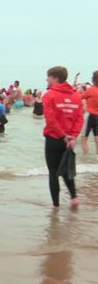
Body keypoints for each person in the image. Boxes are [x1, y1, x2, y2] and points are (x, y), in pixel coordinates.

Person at [43, 66, 84, 209]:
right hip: (69, 141)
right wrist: (72, 136)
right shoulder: (76, 96)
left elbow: (51, 120)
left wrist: (63, 136)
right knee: (66, 169)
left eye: (48, 77)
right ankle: (74, 198)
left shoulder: (49, 95)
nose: (46, 79)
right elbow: (80, 118)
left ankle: (55, 206)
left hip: (54, 138)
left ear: (55, 78)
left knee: (53, 172)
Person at [81, 71, 98, 153]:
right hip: (97, 117)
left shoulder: (91, 90)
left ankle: (86, 160)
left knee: (84, 139)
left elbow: (80, 97)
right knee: (97, 138)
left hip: (90, 116)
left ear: (93, 80)